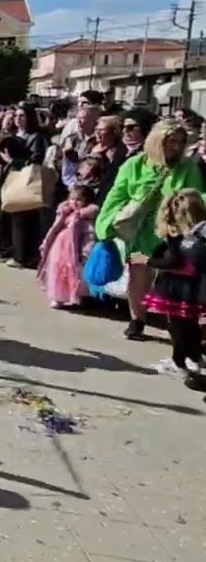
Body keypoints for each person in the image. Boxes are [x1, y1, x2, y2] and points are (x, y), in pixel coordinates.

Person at [96, 120, 204, 340]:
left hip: (173, 234)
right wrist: (104, 225)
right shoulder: (134, 165)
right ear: (157, 141)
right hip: (139, 232)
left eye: (180, 142)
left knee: (171, 280)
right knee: (138, 275)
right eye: (171, 141)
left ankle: (174, 324)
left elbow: (197, 197)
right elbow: (116, 196)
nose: (176, 146)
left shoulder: (187, 167)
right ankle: (137, 320)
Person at [140, 189, 206, 389]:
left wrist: (148, 260)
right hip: (194, 286)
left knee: (177, 327)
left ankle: (178, 361)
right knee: (190, 325)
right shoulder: (200, 233)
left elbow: (172, 261)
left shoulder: (176, 234)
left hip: (176, 287)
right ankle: (195, 357)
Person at [38, 184, 99, 309]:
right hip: (58, 248)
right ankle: (57, 297)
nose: (74, 202)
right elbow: (54, 229)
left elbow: (90, 236)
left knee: (74, 274)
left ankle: (75, 296)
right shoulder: (64, 213)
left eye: (79, 200)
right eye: (72, 199)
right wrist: (46, 243)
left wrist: (87, 251)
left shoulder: (85, 218)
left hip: (73, 251)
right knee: (56, 271)